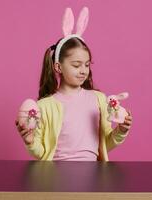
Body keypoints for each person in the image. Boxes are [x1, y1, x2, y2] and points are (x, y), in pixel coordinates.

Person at [15, 7, 133, 161]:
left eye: (87, 64)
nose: (83, 70)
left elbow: (105, 144)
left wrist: (121, 130)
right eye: (76, 65)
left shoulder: (99, 100)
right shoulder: (44, 106)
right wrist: (30, 142)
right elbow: (42, 153)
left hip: (93, 177)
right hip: (56, 178)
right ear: (58, 67)